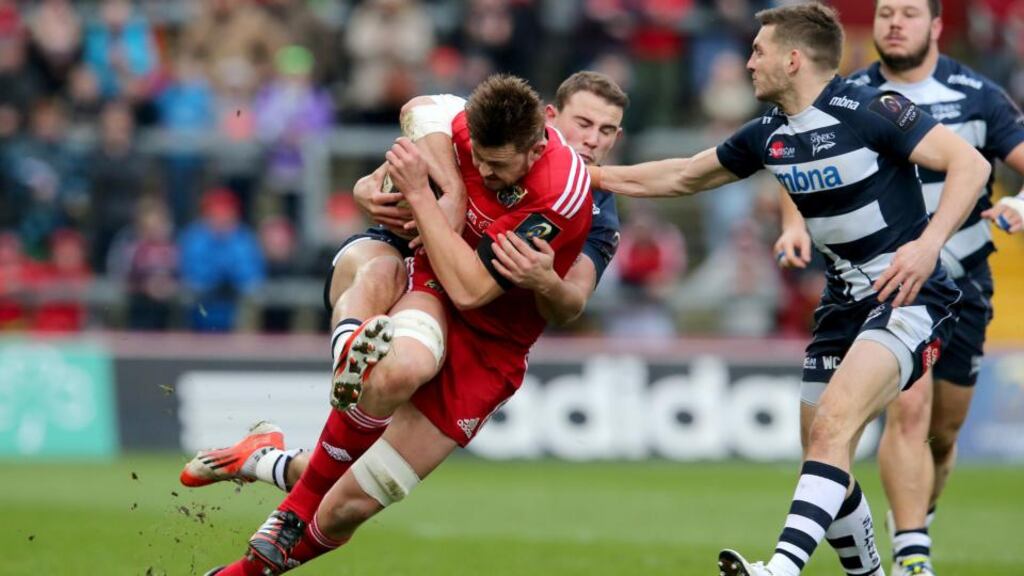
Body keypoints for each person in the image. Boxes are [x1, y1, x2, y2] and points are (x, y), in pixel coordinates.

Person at [587, 4, 990, 576]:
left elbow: (970, 165)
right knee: (824, 456)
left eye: (759, 50)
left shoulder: (870, 109)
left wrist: (929, 247)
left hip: (908, 296)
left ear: (793, 59)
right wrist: (591, 175)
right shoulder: (768, 134)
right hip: (842, 306)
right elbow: (682, 174)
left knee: (832, 426)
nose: (749, 62)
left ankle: (780, 568)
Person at [200, 74, 594, 576]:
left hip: (492, 342)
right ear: (553, 117)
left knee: (351, 504)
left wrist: (424, 197)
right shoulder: (478, 129)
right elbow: (421, 107)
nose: (484, 171)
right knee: (401, 363)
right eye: (584, 123)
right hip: (429, 282)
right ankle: (348, 359)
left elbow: (477, 291)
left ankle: (265, 468)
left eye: (604, 129)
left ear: (537, 148)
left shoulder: (565, 196)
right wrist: (435, 186)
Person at [772, 2, 1024, 574]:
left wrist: (1019, 202)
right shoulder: (846, 94)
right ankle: (913, 554)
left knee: (943, 431)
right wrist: (793, 225)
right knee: (909, 408)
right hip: (887, 284)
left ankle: (914, 519)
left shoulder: (976, 94)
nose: (893, 23)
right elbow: (790, 153)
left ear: (935, 26)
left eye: (909, 13)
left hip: (965, 277)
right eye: (886, 12)